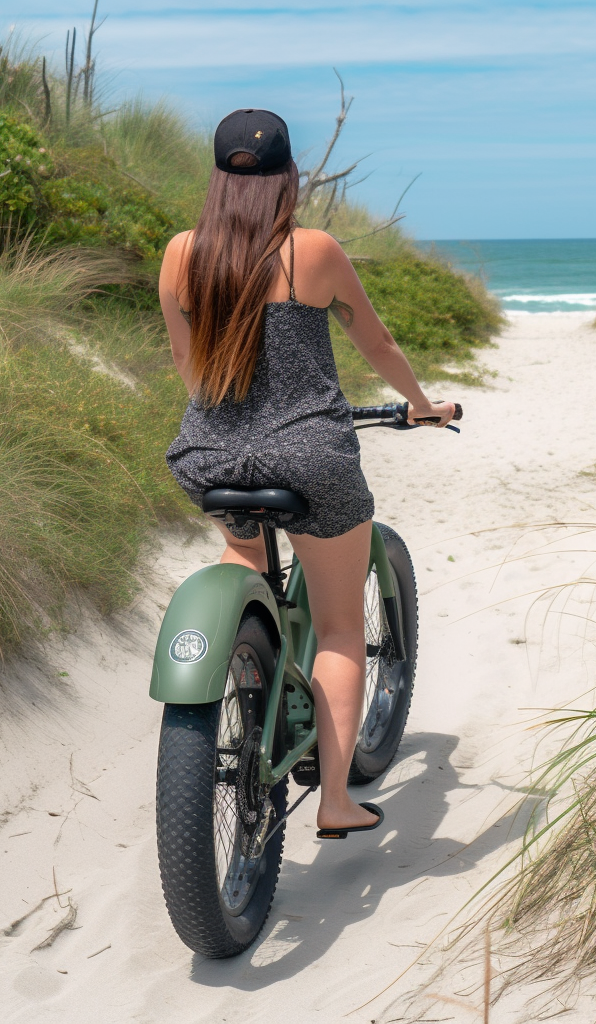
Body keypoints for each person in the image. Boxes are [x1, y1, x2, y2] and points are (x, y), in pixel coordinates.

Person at [158, 108, 455, 835]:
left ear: (218, 177)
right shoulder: (312, 251)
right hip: (309, 458)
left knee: (246, 556)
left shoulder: (180, 254)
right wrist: (421, 406)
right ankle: (335, 801)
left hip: (210, 455)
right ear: (289, 175)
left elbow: (190, 368)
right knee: (342, 629)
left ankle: (250, 661)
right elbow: (376, 340)